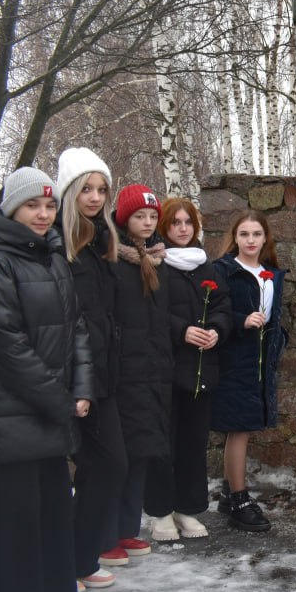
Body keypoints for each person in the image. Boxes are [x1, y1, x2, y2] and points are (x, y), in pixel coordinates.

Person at [0, 168, 91, 592]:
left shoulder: (50, 258)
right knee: (10, 519)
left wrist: (81, 388)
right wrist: (57, 399)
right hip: (8, 414)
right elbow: (5, 344)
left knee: (45, 512)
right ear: (11, 210)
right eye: (32, 206)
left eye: (48, 206)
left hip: (49, 410)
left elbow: (76, 329)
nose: (43, 215)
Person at [56, 147, 126, 592]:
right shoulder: (60, 247)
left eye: (101, 189)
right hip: (74, 379)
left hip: (104, 376)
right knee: (93, 467)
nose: (96, 197)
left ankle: (80, 558)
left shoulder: (102, 243)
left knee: (109, 467)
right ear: (69, 193)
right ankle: (69, 562)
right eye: (86, 189)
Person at [144, 198, 232, 542]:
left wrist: (217, 331)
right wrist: (181, 330)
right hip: (165, 368)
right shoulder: (156, 265)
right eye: (175, 223)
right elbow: (149, 310)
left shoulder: (205, 266)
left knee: (193, 442)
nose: (183, 228)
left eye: (188, 223)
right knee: (163, 441)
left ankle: (187, 507)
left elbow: (223, 305)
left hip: (201, 367)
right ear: (165, 227)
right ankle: (161, 511)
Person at [104, 184, 174, 568]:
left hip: (153, 371)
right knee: (120, 457)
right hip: (125, 371)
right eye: (139, 216)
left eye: (151, 216)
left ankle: (128, 526)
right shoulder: (114, 261)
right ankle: (106, 532)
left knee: (143, 452)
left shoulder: (160, 260)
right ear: (124, 219)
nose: (147, 223)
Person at [211, 210, 288, 532]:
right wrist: (242, 319)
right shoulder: (224, 270)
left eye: (257, 234)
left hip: (260, 361)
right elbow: (214, 311)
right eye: (244, 234)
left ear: (265, 237)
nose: (251, 240)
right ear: (235, 237)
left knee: (243, 427)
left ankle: (230, 494)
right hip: (234, 359)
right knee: (238, 428)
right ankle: (239, 499)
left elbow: (275, 316)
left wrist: (279, 339)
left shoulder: (272, 273)